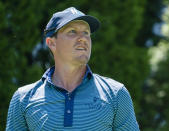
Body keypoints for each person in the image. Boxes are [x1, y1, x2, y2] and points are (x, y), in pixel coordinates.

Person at [6, 7, 140, 131]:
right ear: (52, 43)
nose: (83, 38)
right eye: (72, 32)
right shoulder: (23, 98)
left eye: (86, 33)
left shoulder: (116, 94)